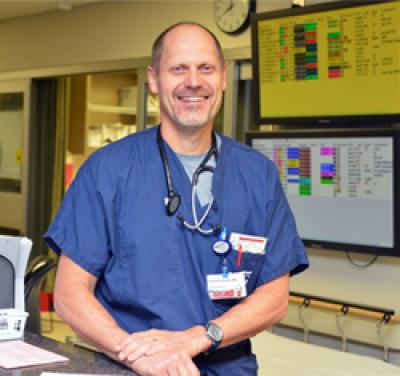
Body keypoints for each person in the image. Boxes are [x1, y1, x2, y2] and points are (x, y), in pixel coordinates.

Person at [44, 22, 309, 376]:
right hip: (128, 366)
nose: (194, 81)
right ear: (154, 80)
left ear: (224, 78)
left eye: (206, 68)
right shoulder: (108, 171)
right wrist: (140, 357)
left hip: (227, 366)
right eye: (178, 69)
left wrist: (201, 337)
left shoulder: (257, 176)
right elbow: (70, 294)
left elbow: (274, 299)